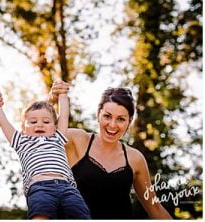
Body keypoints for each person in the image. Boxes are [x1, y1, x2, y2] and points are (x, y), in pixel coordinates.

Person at [62, 87, 173, 219]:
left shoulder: (135, 159)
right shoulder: (77, 140)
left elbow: (154, 208)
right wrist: (53, 99)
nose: (113, 125)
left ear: (129, 121)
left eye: (120, 119)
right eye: (107, 116)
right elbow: (42, 133)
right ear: (98, 115)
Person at [0, 80, 90, 219]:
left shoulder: (57, 138)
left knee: (81, 215)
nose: (40, 125)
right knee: (40, 215)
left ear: (54, 126)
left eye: (46, 121)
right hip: (40, 187)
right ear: (23, 128)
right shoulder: (22, 142)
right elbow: (3, 123)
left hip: (68, 188)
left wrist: (62, 94)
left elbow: (64, 114)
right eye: (33, 122)